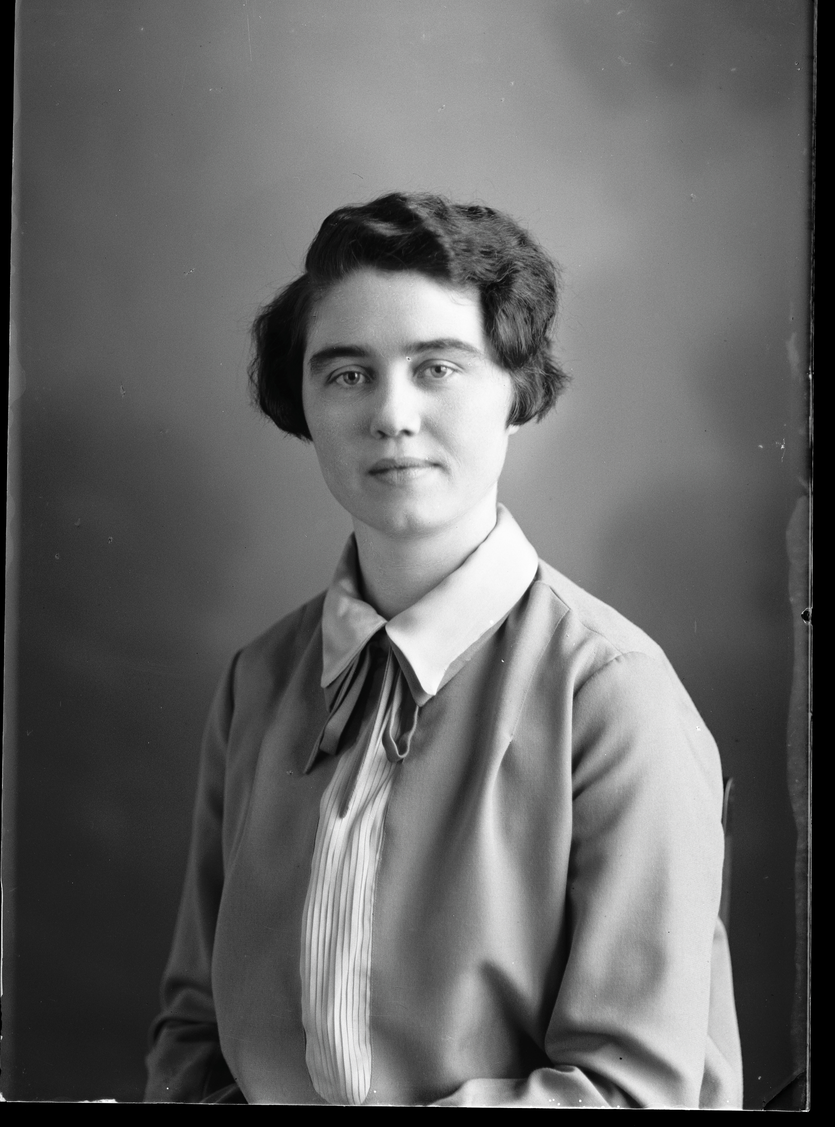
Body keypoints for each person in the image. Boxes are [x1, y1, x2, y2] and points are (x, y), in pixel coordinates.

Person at [144, 192, 743, 1107]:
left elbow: (635, 1091)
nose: (391, 414)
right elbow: (194, 1036)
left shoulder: (611, 692)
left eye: (437, 368)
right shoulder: (259, 681)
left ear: (516, 393)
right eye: (348, 374)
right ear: (302, 402)